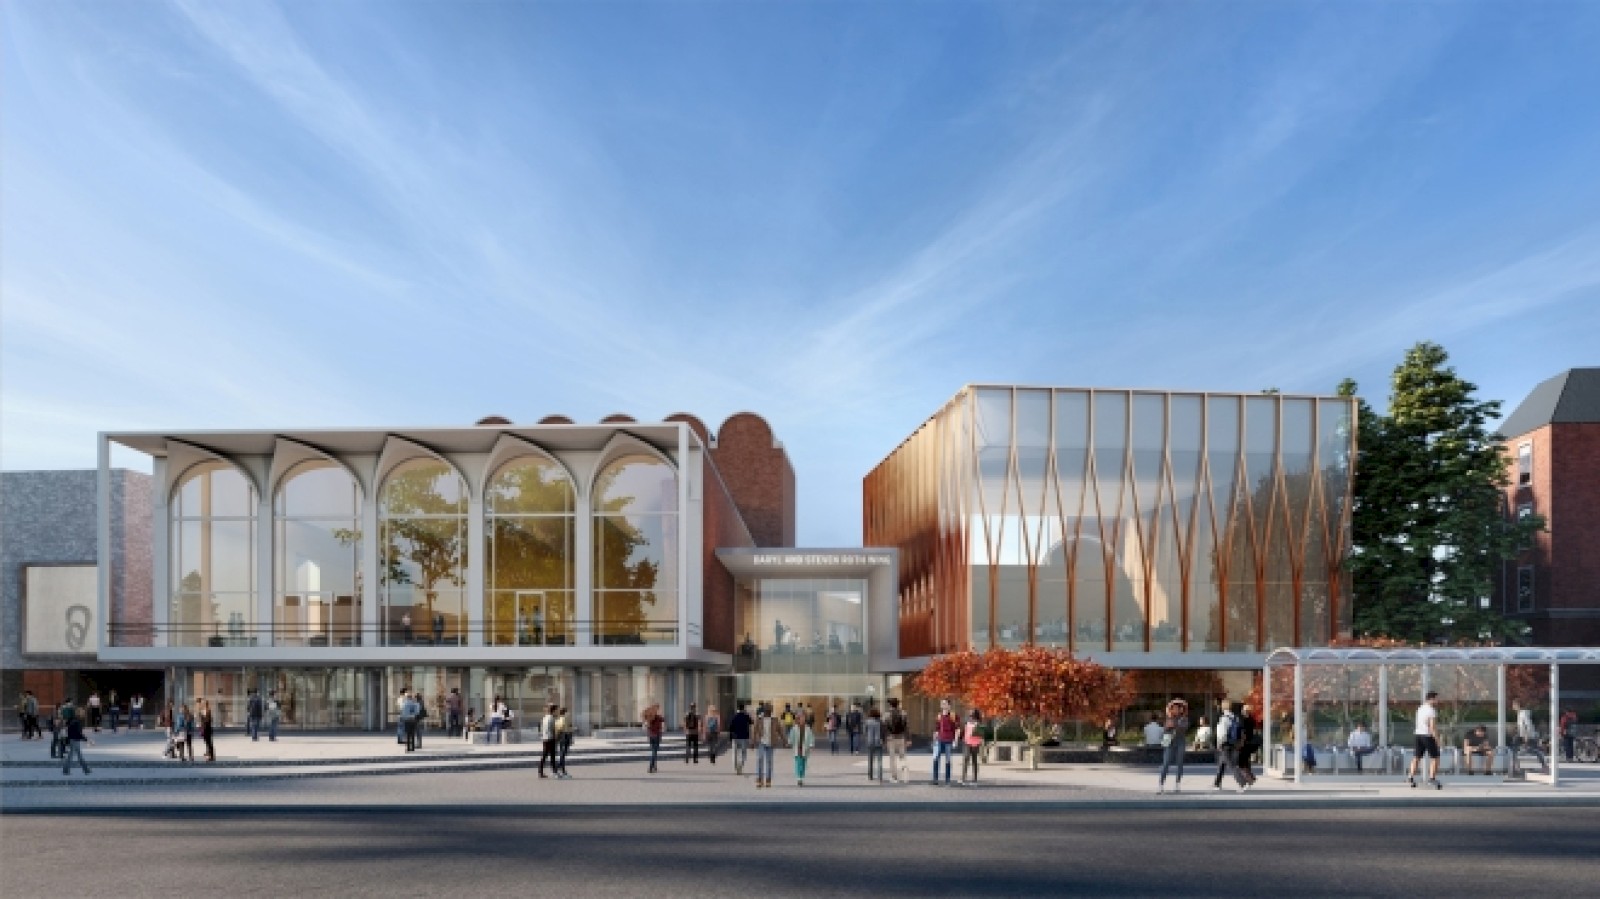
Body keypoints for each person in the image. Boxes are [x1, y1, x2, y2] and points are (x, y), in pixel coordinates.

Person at [1407, 691, 1443, 790]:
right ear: (1431, 699)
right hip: (1427, 736)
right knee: (1435, 757)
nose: (1438, 701)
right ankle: (1432, 778)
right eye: (1436, 699)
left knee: (1417, 756)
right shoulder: (1431, 710)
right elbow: (1432, 727)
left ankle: (1411, 776)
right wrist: (1437, 739)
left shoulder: (1420, 708)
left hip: (1418, 734)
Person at [1211, 703, 1248, 793]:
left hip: (1225, 744)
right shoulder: (1235, 717)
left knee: (1231, 765)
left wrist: (1219, 743)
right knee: (1222, 764)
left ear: (1223, 707)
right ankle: (1217, 783)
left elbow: (1222, 733)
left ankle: (1243, 783)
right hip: (1233, 743)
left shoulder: (1223, 718)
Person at [1156, 698, 1189, 794]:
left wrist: (1181, 704)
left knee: (1179, 764)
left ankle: (1177, 784)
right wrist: (1170, 708)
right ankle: (1161, 785)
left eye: (1177, 708)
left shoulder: (1184, 719)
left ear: (1180, 709)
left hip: (1180, 742)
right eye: (1173, 708)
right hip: (1169, 743)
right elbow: (1167, 728)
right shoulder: (1168, 719)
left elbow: (1181, 728)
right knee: (1165, 764)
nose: (1175, 710)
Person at [752, 703, 786, 788]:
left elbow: (780, 731)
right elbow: (754, 730)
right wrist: (752, 741)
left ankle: (768, 780)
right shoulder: (759, 719)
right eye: (767, 710)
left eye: (770, 710)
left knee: (769, 761)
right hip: (761, 742)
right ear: (764, 710)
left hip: (771, 743)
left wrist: (784, 741)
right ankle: (759, 779)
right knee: (760, 759)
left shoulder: (775, 720)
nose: (768, 711)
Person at [1512, 701, 1547, 774]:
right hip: (1521, 735)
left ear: (1518, 705)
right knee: (1514, 748)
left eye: (1514, 705)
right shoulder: (1520, 714)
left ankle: (1544, 766)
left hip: (1528, 735)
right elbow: (1522, 725)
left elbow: (1528, 725)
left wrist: (1526, 736)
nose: (1513, 707)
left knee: (1533, 750)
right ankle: (1516, 766)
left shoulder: (1523, 713)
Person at [931, 700, 958, 785]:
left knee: (948, 760)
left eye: (944, 703)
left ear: (949, 705)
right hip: (939, 740)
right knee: (935, 758)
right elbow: (936, 729)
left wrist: (955, 740)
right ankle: (935, 779)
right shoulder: (939, 716)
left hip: (949, 740)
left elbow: (957, 729)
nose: (942, 705)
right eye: (941, 703)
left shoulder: (953, 716)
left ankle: (947, 779)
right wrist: (934, 740)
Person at [885, 697, 910, 783]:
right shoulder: (903, 713)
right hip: (901, 738)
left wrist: (885, 738)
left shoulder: (887, 714)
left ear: (890, 705)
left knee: (892, 759)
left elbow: (885, 727)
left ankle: (894, 777)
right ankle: (905, 776)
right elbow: (906, 727)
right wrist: (908, 738)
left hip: (891, 739)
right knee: (902, 757)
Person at [789, 710, 816, 786]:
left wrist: (811, 744)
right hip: (797, 748)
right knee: (798, 763)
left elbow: (811, 737)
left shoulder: (807, 728)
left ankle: (802, 776)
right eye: (801, 717)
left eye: (803, 717)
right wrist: (790, 742)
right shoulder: (794, 728)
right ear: (798, 718)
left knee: (803, 763)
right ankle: (799, 778)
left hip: (805, 748)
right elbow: (791, 736)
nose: (802, 719)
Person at [61, 712, 91, 776]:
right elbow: (78, 733)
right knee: (72, 756)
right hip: (75, 740)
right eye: (83, 714)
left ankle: (86, 769)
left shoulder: (72, 721)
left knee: (77, 756)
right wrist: (85, 739)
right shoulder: (77, 722)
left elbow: (71, 731)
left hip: (72, 739)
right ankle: (66, 770)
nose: (83, 716)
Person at [1236, 704, 1259, 786]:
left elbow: (1242, 732)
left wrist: (1240, 742)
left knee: (1241, 762)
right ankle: (1250, 777)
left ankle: (1249, 778)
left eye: (1243, 710)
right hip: (1250, 742)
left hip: (1244, 742)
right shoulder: (1251, 719)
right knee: (1246, 761)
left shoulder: (1243, 720)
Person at [959, 709, 984, 785]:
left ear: (975, 715)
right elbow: (963, 731)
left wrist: (981, 743)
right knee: (966, 758)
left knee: (974, 761)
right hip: (967, 742)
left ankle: (974, 779)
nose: (971, 715)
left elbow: (981, 735)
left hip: (975, 744)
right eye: (970, 714)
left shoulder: (979, 723)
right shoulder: (966, 722)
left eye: (972, 714)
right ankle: (963, 778)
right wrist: (961, 738)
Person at [729, 702, 754, 775]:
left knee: (734, 753)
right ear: (743, 708)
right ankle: (741, 765)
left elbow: (731, 727)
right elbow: (752, 722)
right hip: (744, 737)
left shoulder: (734, 716)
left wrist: (730, 737)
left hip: (735, 737)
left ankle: (736, 766)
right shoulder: (746, 716)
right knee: (743, 752)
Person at [864, 707, 885, 781]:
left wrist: (867, 737)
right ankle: (880, 777)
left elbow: (865, 731)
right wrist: (883, 740)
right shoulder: (881, 722)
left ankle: (870, 776)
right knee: (879, 760)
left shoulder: (867, 722)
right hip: (879, 742)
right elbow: (883, 732)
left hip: (870, 742)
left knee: (870, 760)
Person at [539, 703, 559, 778]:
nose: (557, 712)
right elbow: (553, 729)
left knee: (545, 755)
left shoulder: (545, 718)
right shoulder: (551, 718)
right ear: (553, 711)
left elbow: (541, 728)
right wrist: (556, 737)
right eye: (556, 710)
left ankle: (540, 771)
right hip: (550, 738)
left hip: (545, 738)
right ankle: (554, 771)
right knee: (552, 756)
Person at [555, 706, 574, 778]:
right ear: (565, 712)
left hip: (563, 736)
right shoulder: (564, 719)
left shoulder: (560, 719)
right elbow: (564, 728)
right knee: (563, 753)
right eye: (567, 711)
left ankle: (561, 769)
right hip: (565, 736)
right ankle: (559, 768)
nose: (568, 713)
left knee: (562, 753)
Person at [198, 698, 216, 763]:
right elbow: (201, 720)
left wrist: (203, 719)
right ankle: (210, 755)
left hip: (207, 729)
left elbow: (208, 720)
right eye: (202, 703)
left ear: (206, 704)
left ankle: (211, 756)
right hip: (204, 729)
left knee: (209, 743)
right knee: (207, 743)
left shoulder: (208, 711)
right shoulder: (202, 711)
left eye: (204, 703)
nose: (203, 704)